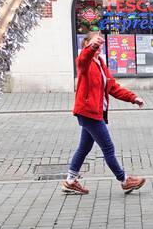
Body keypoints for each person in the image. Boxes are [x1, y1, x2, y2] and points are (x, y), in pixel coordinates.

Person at [62, 31, 146, 195]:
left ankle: (70, 181)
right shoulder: (84, 63)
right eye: (95, 43)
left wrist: (133, 98)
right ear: (86, 43)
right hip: (88, 112)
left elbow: (112, 87)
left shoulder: (100, 63)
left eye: (100, 44)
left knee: (84, 147)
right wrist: (92, 46)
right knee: (108, 148)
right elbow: (82, 59)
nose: (99, 47)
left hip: (95, 112)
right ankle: (124, 180)